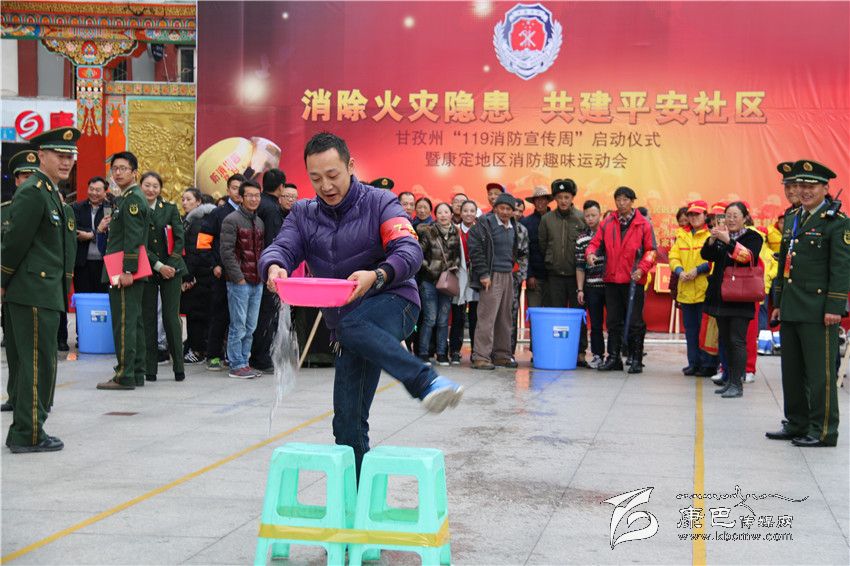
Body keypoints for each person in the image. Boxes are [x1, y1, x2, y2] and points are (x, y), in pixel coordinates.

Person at [259, 132, 463, 475]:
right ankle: (355, 498)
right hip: (348, 325)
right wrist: (274, 265)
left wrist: (378, 275)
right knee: (347, 423)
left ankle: (425, 381)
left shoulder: (380, 202)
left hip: (394, 300)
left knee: (352, 325)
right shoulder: (304, 214)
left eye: (333, 175)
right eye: (316, 178)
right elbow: (282, 246)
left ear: (350, 166)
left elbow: (409, 250)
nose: (326, 186)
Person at [1, 127, 79, 452]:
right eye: (59, 155)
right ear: (41, 156)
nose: (66, 162)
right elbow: (13, 243)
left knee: (41, 362)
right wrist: (2, 282)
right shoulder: (34, 192)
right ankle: (28, 433)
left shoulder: (49, 192)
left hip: (44, 291)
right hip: (31, 290)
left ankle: (31, 427)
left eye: (70, 156)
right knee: (36, 363)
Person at [767, 160, 849, 446]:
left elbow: (841, 269)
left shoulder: (837, 222)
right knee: (791, 372)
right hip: (791, 305)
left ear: (825, 188)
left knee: (819, 375)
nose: (804, 191)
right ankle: (797, 423)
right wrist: (778, 302)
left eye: (811, 186)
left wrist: (835, 308)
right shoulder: (792, 217)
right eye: (800, 185)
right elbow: (784, 265)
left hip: (818, 309)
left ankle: (823, 430)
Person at [587, 186, 657, 373]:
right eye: (618, 199)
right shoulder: (607, 222)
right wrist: (591, 253)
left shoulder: (643, 224)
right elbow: (595, 243)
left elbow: (651, 251)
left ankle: (635, 359)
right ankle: (614, 358)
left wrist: (642, 269)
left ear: (632, 201)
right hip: (611, 279)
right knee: (613, 321)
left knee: (634, 321)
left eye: (625, 199)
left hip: (634, 280)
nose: (621, 203)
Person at [97, 151, 151, 391]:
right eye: (115, 169)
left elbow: (133, 237)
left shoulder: (132, 200)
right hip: (124, 266)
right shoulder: (127, 197)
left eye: (123, 168)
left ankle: (124, 374)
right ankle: (136, 371)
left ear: (134, 173)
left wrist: (128, 269)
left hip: (124, 268)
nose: (117, 173)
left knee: (124, 322)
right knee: (133, 321)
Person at [700, 202, 763, 398]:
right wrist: (712, 240)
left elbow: (747, 257)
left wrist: (728, 241)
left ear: (745, 218)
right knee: (726, 340)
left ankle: (737, 383)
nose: (731, 219)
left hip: (740, 297)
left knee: (737, 341)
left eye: (736, 216)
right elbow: (706, 255)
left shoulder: (753, 237)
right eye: (728, 215)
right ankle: (729, 380)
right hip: (721, 296)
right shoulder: (721, 235)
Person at [1, 150, 42, 411]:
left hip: (37, 286)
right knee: (13, 346)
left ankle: (37, 399)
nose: (29, 180)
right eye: (25, 176)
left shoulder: (49, 205)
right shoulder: (4, 211)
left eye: (33, 175)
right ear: (16, 180)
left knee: (36, 349)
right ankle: (15, 395)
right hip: (10, 286)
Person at [468, 192, 528, 370]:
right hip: (490, 276)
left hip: (508, 275)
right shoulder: (484, 224)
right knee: (487, 317)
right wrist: (483, 274)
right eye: (502, 208)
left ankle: (501, 355)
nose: (505, 212)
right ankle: (481, 357)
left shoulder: (513, 226)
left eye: (509, 209)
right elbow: (475, 249)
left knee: (505, 317)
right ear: (495, 208)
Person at [138, 172, 186, 382]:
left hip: (172, 269)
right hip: (149, 269)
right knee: (148, 318)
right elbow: (138, 243)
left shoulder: (170, 209)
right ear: (140, 186)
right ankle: (150, 369)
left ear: (160, 188)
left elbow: (179, 238)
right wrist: (159, 266)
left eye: (155, 186)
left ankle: (179, 367)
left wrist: (171, 266)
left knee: (170, 317)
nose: (151, 189)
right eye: (147, 185)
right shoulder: (136, 209)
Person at [538, 179, 588, 365]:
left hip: (577, 278)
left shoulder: (581, 218)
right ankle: (557, 350)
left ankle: (580, 352)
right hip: (555, 277)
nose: (563, 201)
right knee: (556, 316)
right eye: (559, 197)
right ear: (555, 199)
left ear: (572, 198)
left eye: (567, 197)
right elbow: (543, 245)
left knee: (578, 315)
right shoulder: (547, 219)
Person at [197, 173, 244, 371]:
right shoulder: (218, 214)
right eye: (234, 188)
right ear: (228, 190)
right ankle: (213, 355)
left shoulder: (250, 213)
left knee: (239, 317)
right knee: (220, 314)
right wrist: (213, 265)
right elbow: (203, 243)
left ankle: (233, 356)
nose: (238, 192)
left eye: (241, 189)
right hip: (221, 273)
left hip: (243, 274)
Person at [220, 180, 265, 379]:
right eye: (250, 196)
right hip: (240, 282)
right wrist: (238, 278)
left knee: (251, 326)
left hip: (257, 280)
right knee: (238, 325)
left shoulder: (259, 221)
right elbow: (226, 252)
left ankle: (245, 362)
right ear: (241, 197)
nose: (254, 199)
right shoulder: (231, 220)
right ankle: (236, 364)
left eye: (257, 195)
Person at [669, 200, 715, 377]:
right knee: (690, 330)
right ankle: (693, 363)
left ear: (705, 215)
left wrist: (698, 270)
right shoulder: (681, 235)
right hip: (686, 289)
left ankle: (707, 364)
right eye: (691, 214)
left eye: (697, 214)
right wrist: (679, 271)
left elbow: (713, 260)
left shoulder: (711, 235)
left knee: (705, 330)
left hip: (704, 289)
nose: (694, 217)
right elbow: (673, 257)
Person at [250, 168, 287, 374]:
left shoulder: (260, 204)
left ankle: (255, 355)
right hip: (266, 269)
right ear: (281, 187)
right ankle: (261, 358)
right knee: (266, 314)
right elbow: (274, 243)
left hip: (252, 267)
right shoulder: (272, 209)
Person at [416, 202, 460, 366]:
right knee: (430, 318)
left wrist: (453, 266)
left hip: (447, 282)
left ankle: (442, 354)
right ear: (435, 215)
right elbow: (418, 253)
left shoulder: (455, 232)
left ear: (451, 215)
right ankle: (423, 353)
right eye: (440, 212)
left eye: (446, 212)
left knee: (443, 320)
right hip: (429, 281)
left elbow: (457, 255)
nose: (443, 215)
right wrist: (431, 269)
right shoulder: (429, 232)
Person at [180, 187, 216, 363]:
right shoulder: (190, 220)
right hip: (201, 274)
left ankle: (198, 351)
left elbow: (195, 252)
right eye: (183, 199)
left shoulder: (198, 223)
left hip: (199, 276)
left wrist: (188, 276)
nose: (184, 203)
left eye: (188, 199)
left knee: (196, 315)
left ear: (199, 202)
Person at [575, 200, 606, 368]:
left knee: (615, 323)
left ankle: (614, 355)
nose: (590, 219)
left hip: (610, 285)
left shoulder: (608, 233)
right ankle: (597, 355)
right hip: (592, 287)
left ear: (600, 214)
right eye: (587, 216)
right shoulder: (581, 238)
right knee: (595, 324)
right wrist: (580, 289)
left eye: (593, 215)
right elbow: (580, 266)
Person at [450, 200, 479, 363]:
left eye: (472, 211)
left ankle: (476, 351)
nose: (468, 214)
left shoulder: (480, 230)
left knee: (475, 316)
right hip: (458, 276)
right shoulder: (454, 230)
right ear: (460, 213)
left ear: (476, 213)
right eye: (465, 211)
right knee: (458, 316)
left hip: (475, 277)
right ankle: (454, 350)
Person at [71, 176, 111, 295]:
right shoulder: (77, 207)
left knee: (102, 299)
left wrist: (89, 234)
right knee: (83, 298)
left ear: (105, 192)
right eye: (91, 189)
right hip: (82, 263)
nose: (94, 193)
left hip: (104, 264)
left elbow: (110, 232)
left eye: (98, 190)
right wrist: (97, 232)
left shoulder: (110, 208)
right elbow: (76, 230)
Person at [521, 186, 552, 308]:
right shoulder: (526, 223)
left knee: (551, 314)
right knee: (534, 312)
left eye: (543, 199)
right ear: (533, 202)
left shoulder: (556, 220)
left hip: (553, 278)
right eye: (537, 199)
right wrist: (529, 275)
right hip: (534, 278)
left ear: (548, 201)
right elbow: (523, 252)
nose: (540, 202)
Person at [510, 198, 529, 358]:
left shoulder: (522, 230)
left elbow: (524, 257)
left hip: (514, 279)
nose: (517, 213)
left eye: (520, 211)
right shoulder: (496, 226)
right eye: (515, 209)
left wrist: (519, 277)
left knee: (512, 314)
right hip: (496, 278)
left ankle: (509, 351)